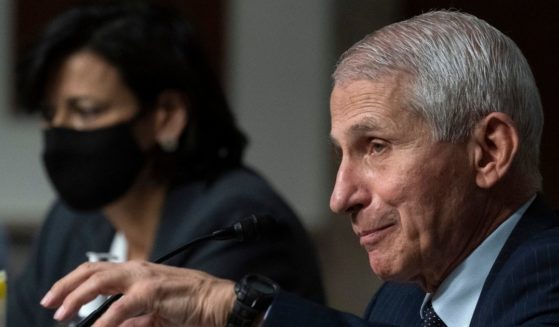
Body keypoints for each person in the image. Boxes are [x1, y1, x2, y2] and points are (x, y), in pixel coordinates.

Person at [39, 9, 559, 327]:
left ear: (489, 152)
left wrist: (227, 304)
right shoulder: (402, 302)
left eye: (375, 146)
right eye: (341, 154)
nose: (341, 197)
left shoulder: (548, 277)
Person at [9, 2, 324, 326]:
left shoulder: (237, 224)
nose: (61, 131)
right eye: (50, 114)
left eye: (87, 111)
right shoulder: (69, 221)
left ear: (168, 115)